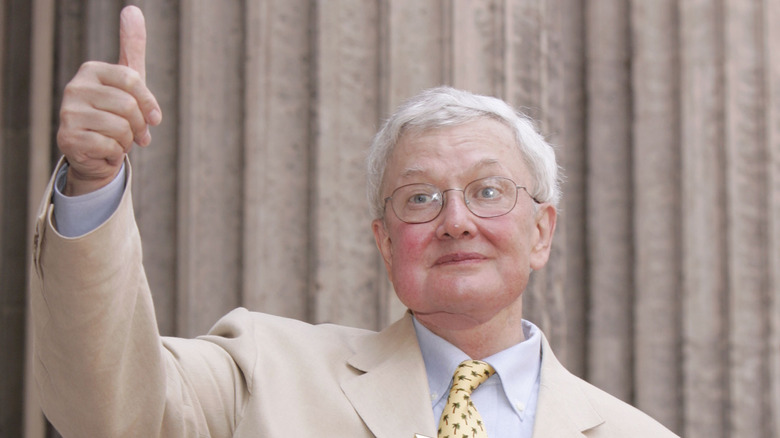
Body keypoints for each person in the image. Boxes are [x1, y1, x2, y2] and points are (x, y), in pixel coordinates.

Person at [30, 6, 678, 438]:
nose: (456, 220)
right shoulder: (262, 372)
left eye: (487, 191)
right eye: (420, 198)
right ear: (385, 240)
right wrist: (94, 181)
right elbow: (105, 410)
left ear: (541, 231)